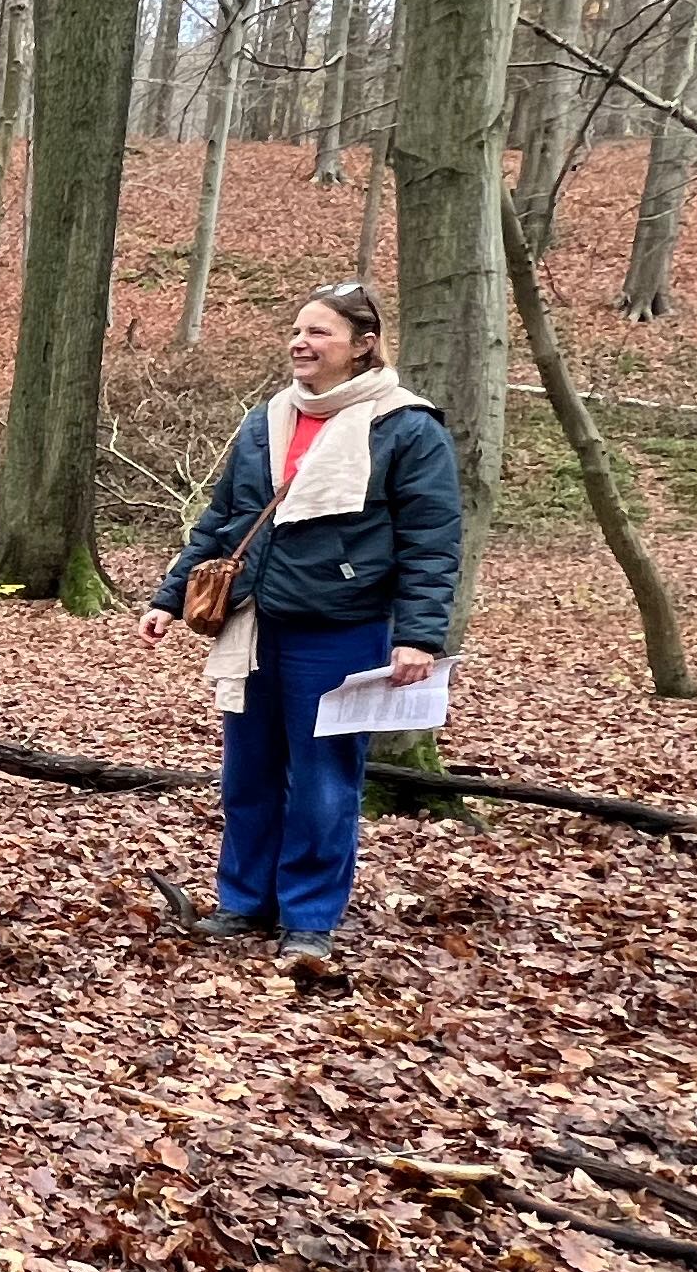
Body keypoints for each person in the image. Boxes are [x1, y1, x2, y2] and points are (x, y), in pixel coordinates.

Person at [139, 280, 462, 977]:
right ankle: (244, 902)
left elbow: (432, 542)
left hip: (341, 629)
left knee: (323, 781)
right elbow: (225, 520)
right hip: (254, 622)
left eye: (320, 332)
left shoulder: (407, 427)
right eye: (296, 330)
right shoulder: (267, 421)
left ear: (363, 345)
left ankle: (309, 921)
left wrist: (419, 636)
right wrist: (170, 596)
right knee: (248, 773)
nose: (301, 343)